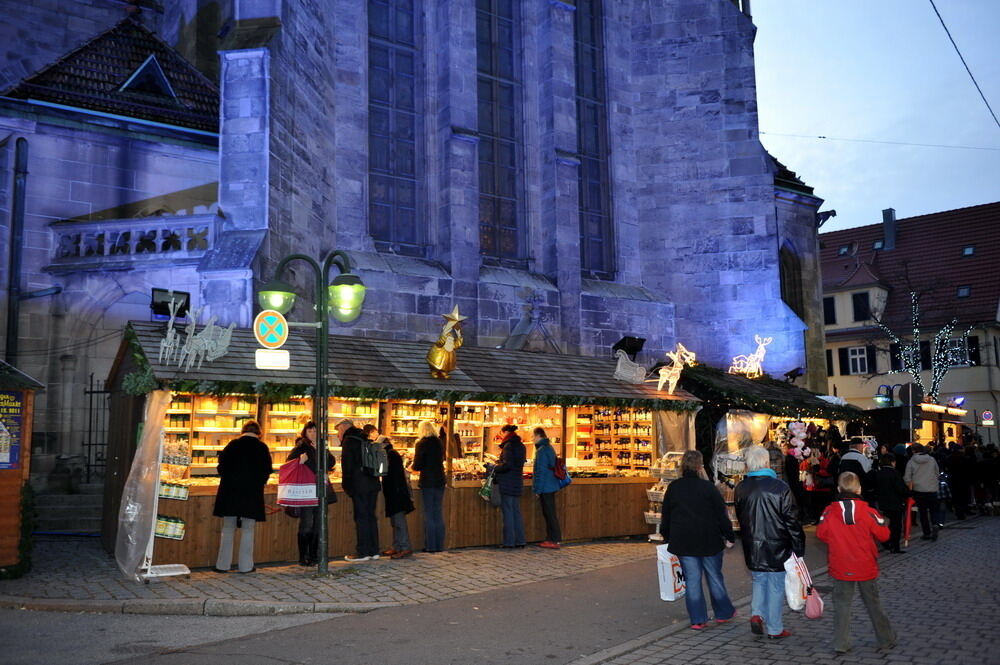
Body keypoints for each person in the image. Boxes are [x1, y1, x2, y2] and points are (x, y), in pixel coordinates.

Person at [817, 471, 896, 654]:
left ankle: (840, 643)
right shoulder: (869, 512)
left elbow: (821, 534)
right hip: (865, 565)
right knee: (873, 603)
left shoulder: (829, 512)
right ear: (859, 489)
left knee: (841, 605)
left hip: (841, 565)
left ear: (838, 489)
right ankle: (885, 639)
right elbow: (884, 535)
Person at [659, 450, 737, 630]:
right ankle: (723, 613)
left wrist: (667, 537)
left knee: (692, 580)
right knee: (714, 578)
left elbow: (667, 516)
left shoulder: (674, 488)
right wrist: (729, 535)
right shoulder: (708, 487)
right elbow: (721, 515)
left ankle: (698, 619)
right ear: (700, 466)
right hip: (709, 540)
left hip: (684, 541)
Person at [735, 445, 805, 640]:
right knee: (775, 585)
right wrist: (798, 547)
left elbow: (741, 518)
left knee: (759, 579)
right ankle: (774, 628)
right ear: (766, 462)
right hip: (777, 545)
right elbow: (792, 520)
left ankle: (757, 613)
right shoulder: (780, 487)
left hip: (753, 544)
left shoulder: (741, 488)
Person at [213, 420, 273, 573]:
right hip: (251, 495)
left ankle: (222, 565)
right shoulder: (262, 447)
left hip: (230, 493)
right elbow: (266, 471)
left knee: (227, 529)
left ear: (243, 431)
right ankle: (246, 566)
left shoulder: (232, 445)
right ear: (259, 433)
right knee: (248, 530)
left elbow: (221, 467)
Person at [286, 421, 335, 566]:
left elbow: (331, 462)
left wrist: (323, 451)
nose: (313, 434)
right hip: (306, 490)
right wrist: (300, 460)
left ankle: (314, 555)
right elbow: (289, 463)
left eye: (315, 431)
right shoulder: (301, 447)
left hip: (320, 489)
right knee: (306, 523)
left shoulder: (321, 446)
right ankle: (303, 556)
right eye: (310, 431)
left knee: (318, 524)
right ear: (305, 433)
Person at [367, 424, 415, 560]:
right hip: (394, 492)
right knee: (395, 521)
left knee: (399, 521)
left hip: (397, 493)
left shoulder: (390, 455)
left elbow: (384, 471)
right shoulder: (390, 454)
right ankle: (397, 546)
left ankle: (404, 547)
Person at [338, 418, 382, 561]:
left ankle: (363, 552)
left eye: (338, 429)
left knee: (361, 518)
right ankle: (374, 550)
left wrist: (347, 487)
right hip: (373, 483)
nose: (338, 433)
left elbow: (347, 466)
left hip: (359, 485)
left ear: (344, 427)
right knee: (371, 517)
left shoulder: (349, 441)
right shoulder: (365, 438)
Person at [411, 420, 446, 553]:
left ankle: (431, 546)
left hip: (428, 482)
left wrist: (412, 467)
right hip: (440, 480)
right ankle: (439, 545)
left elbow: (418, 465)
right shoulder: (438, 442)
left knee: (429, 513)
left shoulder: (422, 444)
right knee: (438, 512)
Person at [494, 424, 527, 548]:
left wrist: (495, 467)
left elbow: (507, 465)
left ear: (505, 432)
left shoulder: (508, 446)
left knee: (508, 513)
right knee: (516, 512)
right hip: (517, 482)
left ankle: (509, 542)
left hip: (507, 483)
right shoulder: (521, 446)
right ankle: (520, 540)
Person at [531, 427, 562, 549]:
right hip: (551, 485)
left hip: (546, 487)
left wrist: (537, 490)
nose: (532, 439)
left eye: (533, 436)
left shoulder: (542, 451)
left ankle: (554, 539)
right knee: (550, 513)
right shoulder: (548, 448)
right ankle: (552, 538)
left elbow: (541, 472)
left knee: (549, 513)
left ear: (538, 436)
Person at [903, 444, 940, 541]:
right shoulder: (931, 459)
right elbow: (937, 472)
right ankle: (935, 524)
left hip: (919, 490)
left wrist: (910, 485)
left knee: (923, 513)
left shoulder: (911, 461)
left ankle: (926, 533)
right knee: (934, 510)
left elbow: (907, 477)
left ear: (914, 451)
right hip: (932, 489)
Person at [873, 454, 908, 554]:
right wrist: (908, 493)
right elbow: (901, 489)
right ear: (892, 462)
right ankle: (895, 546)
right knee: (896, 526)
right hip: (895, 503)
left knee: (886, 524)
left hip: (883, 502)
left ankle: (886, 541)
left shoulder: (878, 473)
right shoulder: (895, 473)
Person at [839, 438, 875, 506]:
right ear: (858, 446)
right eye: (862, 445)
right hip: (859, 493)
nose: (863, 447)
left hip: (845, 490)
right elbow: (869, 475)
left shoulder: (843, 457)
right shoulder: (861, 458)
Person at [784, 444, 808, 521]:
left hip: (791, 481)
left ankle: (800, 515)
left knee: (796, 498)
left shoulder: (788, 458)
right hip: (795, 480)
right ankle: (801, 515)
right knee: (798, 498)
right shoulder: (793, 458)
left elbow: (789, 471)